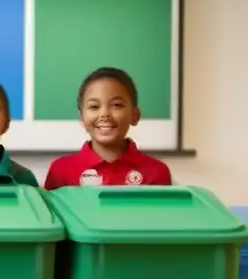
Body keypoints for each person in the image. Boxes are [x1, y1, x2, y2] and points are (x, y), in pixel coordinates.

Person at [43, 67, 173, 190]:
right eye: (94, 107)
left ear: (135, 115)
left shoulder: (157, 172)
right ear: (82, 117)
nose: (104, 114)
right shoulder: (60, 171)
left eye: (116, 105)